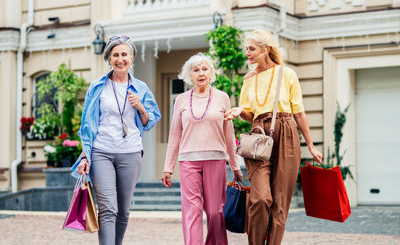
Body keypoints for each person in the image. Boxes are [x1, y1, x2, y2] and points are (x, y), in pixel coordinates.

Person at [224, 29, 323, 245]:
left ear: (265, 49)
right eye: (246, 49)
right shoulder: (249, 78)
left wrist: (311, 146)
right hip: (259, 136)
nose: (247, 53)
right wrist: (239, 111)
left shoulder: (286, 74)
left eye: (251, 49)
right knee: (260, 198)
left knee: (280, 203)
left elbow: (299, 112)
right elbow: (251, 116)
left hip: (287, 132)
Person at [71, 35, 161, 245]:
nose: (120, 59)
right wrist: (85, 156)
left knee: (123, 210)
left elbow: (150, 122)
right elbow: (87, 125)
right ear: (109, 59)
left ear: (131, 58)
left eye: (124, 54)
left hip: (130, 152)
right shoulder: (97, 87)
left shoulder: (141, 88)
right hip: (101, 151)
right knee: (108, 208)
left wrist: (140, 107)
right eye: (115, 55)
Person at [161, 53, 243, 245]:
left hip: (215, 159)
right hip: (188, 160)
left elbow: (229, 134)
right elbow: (174, 135)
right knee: (192, 210)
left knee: (215, 212)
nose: (201, 73)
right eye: (196, 70)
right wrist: (168, 166)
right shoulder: (181, 100)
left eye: (205, 69)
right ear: (189, 75)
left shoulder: (222, 98)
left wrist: (235, 164)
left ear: (211, 72)